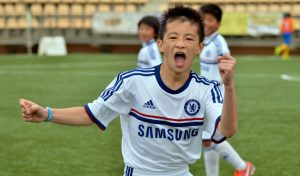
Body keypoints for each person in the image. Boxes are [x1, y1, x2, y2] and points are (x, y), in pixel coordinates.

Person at [19, 6, 238, 176]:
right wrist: (47, 113)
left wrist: (228, 86)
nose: (180, 44)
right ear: (160, 44)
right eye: (173, 37)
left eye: (189, 38)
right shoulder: (131, 82)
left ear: (200, 48)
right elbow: (91, 113)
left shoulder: (207, 89)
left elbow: (227, 129)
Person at [198, 4, 255, 176]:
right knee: (208, 140)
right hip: (206, 95)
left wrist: (215, 89)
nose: (205, 23)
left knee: (208, 140)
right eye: (203, 19)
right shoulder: (205, 41)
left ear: (218, 23)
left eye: (210, 19)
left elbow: (226, 71)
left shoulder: (219, 43)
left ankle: (242, 167)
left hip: (216, 97)